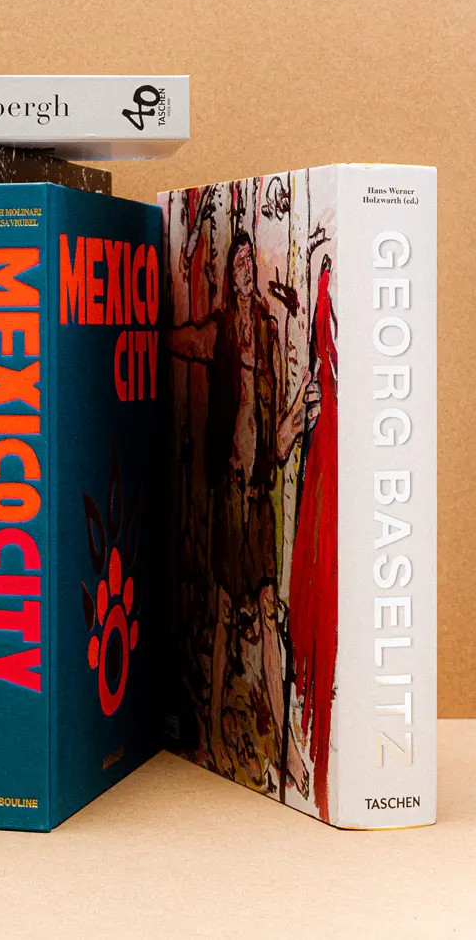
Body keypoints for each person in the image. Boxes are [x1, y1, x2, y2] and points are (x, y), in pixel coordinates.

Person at [167, 231, 319, 795]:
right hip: (227, 493)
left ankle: (287, 750)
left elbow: (275, 440)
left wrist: (296, 417)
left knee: (268, 608)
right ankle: (209, 732)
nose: (246, 269)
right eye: (238, 264)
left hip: (257, 498)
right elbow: (178, 340)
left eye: (251, 261)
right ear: (230, 277)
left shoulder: (271, 333)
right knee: (226, 611)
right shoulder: (220, 330)